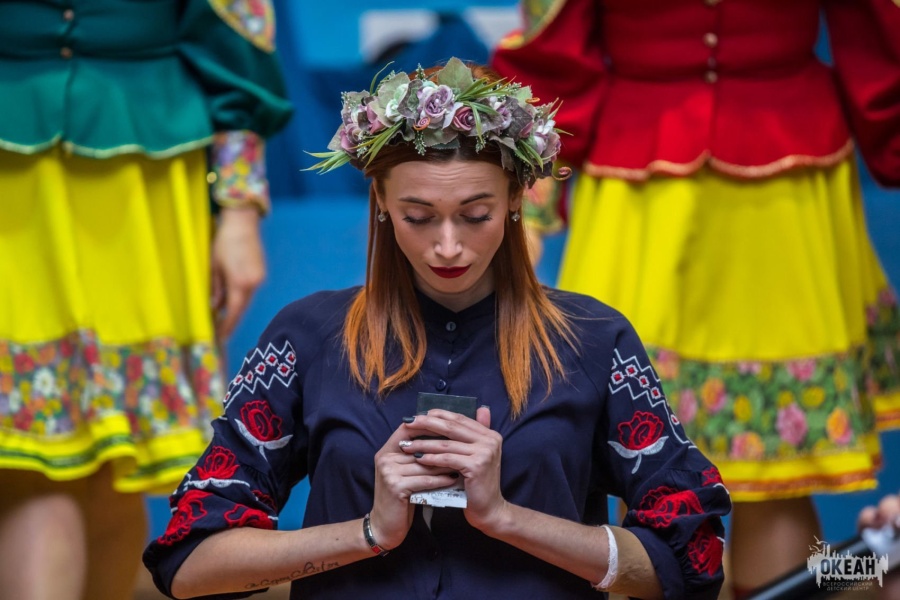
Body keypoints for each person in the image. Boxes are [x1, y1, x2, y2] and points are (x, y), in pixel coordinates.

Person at [142, 58, 731, 599]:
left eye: (476, 215)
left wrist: (505, 518)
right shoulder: (306, 337)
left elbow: (691, 562)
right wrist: (370, 532)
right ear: (380, 200)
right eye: (418, 217)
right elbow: (190, 563)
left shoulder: (595, 340)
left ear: (517, 198)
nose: (448, 246)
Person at [490, 1, 900, 596]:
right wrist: (520, 202)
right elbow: (553, 45)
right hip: (639, 183)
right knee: (639, 469)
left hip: (784, 177)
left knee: (778, 473)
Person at [0, 1, 292, 598]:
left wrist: (239, 207)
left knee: (114, 462)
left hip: (142, 170)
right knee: (29, 461)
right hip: (14, 173)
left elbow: (238, 35)